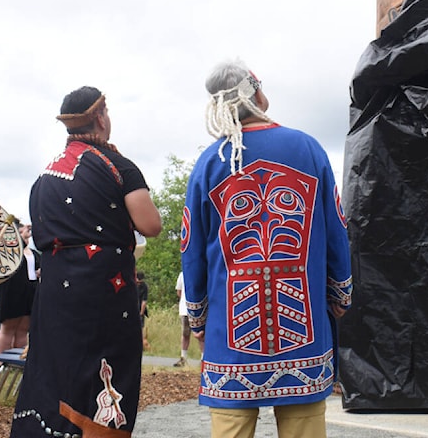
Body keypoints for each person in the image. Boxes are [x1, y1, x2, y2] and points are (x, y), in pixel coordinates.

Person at [181, 60, 353, 438]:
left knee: (231, 430)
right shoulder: (307, 148)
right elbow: (337, 227)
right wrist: (341, 291)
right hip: (303, 325)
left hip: (231, 329)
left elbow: (191, 247)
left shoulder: (211, 162)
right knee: (304, 428)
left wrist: (197, 317)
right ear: (254, 91)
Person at [12, 86, 162, 437]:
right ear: (99, 116)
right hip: (103, 289)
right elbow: (151, 225)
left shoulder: (44, 176)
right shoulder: (118, 165)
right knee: (104, 370)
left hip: (54, 289)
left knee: (55, 366)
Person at [0, 220, 40, 353]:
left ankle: (17, 357)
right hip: (12, 291)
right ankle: (1, 361)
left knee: (23, 329)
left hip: (30, 290)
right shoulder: (7, 251)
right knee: (8, 328)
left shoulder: (32, 252)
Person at [173, 270, 203, 367]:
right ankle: (183, 357)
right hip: (185, 308)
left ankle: (203, 358)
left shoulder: (201, 272)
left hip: (198, 309)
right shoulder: (182, 274)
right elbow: (179, 291)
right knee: (185, 333)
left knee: (200, 334)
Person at [135, 269, 149, 351]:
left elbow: (144, 302)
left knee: (140, 327)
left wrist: (141, 313)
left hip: (139, 309)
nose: (139, 283)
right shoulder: (132, 284)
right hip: (132, 308)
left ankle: (139, 345)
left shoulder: (144, 286)